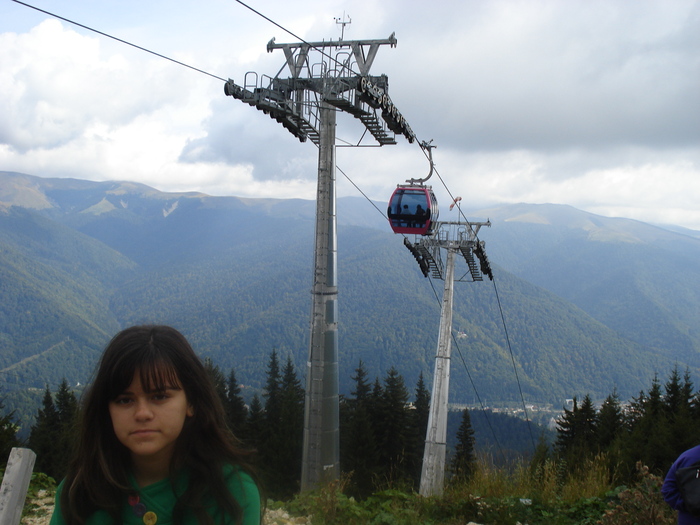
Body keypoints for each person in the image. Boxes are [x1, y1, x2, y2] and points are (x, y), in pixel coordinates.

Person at [49, 325, 261, 525]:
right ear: (107, 410)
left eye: (159, 396)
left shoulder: (231, 493)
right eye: (125, 400)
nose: (142, 413)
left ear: (191, 402)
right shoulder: (80, 493)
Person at [662, 443, 700, 524]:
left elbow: (668, 490)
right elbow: (668, 490)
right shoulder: (688, 457)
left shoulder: (686, 457)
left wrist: (690, 505)